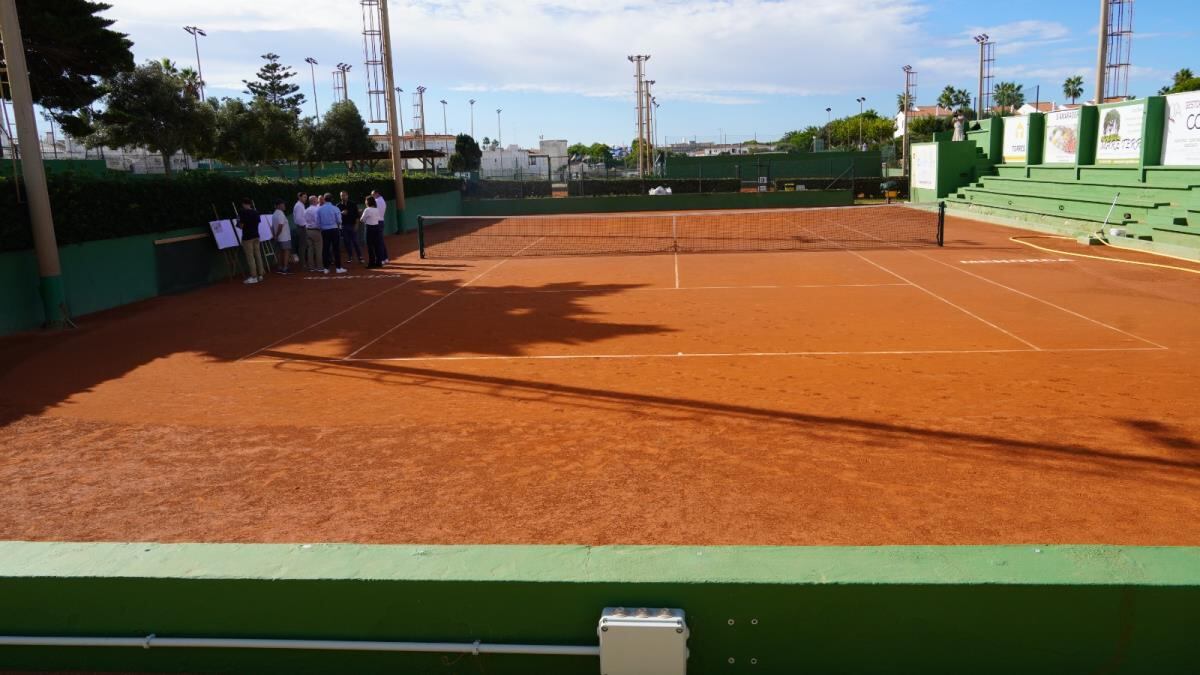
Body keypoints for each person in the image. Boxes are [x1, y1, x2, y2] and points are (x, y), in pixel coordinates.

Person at [237, 197, 265, 284]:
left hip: (247, 237)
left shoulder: (242, 212)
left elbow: (241, 226)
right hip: (256, 235)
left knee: (250, 257)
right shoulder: (256, 212)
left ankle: (254, 276)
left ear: (243, 204)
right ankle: (260, 274)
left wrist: (238, 223)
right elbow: (258, 222)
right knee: (258, 255)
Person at [317, 192, 346, 274]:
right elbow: (339, 221)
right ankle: (338, 268)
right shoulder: (335, 208)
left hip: (324, 231)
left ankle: (326, 268)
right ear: (332, 199)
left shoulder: (319, 209)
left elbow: (318, 222)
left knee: (325, 249)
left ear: (324, 199)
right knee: (336, 249)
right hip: (334, 230)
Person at [338, 191, 363, 264]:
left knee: (355, 242)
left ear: (347, 195)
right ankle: (350, 257)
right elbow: (336, 216)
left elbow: (357, 215)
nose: (343, 197)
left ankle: (360, 257)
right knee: (347, 242)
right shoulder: (338, 205)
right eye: (342, 195)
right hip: (344, 226)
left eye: (344, 195)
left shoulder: (353, 204)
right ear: (340, 196)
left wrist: (356, 225)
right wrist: (341, 213)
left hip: (352, 225)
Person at [360, 194, 385, 268]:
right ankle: (379, 262)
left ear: (368, 202)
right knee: (377, 245)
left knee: (370, 246)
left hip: (369, 228)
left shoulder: (367, 209)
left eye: (366, 200)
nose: (365, 202)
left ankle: (371, 263)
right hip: (376, 227)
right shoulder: (376, 209)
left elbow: (362, 219)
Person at [271, 199, 292, 274]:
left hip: (279, 237)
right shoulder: (280, 214)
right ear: (279, 205)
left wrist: (275, 235)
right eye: (283, 204)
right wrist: (276, 235)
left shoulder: (274, 214)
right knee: (286, 251)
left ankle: (280, 267)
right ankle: (285, 268)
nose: (284, 206)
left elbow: (272, 227)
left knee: (280, 252)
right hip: (284, 237)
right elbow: (280, 225)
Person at [371, 190, 390, 264]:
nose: (372, 196)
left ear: (377, 193)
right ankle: (385, 258)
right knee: (381, 241)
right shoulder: (382, 200)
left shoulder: (376, 201)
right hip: (381, 221)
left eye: (373, 194)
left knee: (378, 242)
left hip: (377, 222)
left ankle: (381, 259)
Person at [303, 195, 321, 272]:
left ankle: (311, 267)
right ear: (314, 201)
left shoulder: (306, 210)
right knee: (318, 249)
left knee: (310, 249)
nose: (318, 201)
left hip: (307, 230)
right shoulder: (317, 210)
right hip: (315, 231)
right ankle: (320, 267)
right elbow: (318, 221)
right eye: (317, 199)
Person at [291, 192, 307, 265]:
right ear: (299, 197)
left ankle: (303, 262)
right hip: (301, 227)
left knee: (303, 245)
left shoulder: (301, 205)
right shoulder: (298, 206)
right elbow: (298, 219)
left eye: (306, 197)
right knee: (302, 246)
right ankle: (303, 263)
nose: (305, 198)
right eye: (304, 197)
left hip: (302, 227)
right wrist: (304, 225)